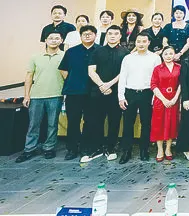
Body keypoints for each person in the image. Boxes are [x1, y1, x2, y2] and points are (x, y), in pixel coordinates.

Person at [15, 32, 65, 163]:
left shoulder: (65, 56)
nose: (54, 40)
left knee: (52, 124)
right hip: (36, 96)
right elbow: (29, 76)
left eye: (57, 38)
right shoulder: (35, 57)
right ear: (46, 40)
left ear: (61, 41)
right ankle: (29, 149)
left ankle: (49, 148)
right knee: (33, 124)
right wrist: (27, 95)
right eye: (51, 38)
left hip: (56, 95)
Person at [84, 25, 128, 163]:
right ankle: (96, 148)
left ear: (120, 36)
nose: (113, 36)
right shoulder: (97, 51)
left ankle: (111, 148)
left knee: (114, 122)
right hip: (97, 92)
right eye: (110, 33)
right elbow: (91, 71)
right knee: (96, 121)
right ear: (106, 35)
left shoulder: (125, 53)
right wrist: (101, 85)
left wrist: (109, 84)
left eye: (116, 33)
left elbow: (124, 73)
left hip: (116, 93)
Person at [118, 31, 161, 163]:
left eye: (144, 41)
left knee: (146, 123)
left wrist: (155, 97)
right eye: (138, 41)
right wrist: (121, 97)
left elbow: (157, 79)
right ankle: (126, 151)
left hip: (147, 93)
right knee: (128, 123)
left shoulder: (155, 58)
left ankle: (144, 150)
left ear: (149, 42)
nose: (141, 44)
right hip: (130, 93)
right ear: (135, 43)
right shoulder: (128, 58)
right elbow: (122, 77)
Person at [58, 25, 98, 160]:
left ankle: (86, 147)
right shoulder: (71, 51)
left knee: (90, 121)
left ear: (95, 35)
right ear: (80, 36)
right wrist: (72, 80)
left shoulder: (100, 51)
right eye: (84, 33)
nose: (87, 35)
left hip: (93, 93)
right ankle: (72, 148)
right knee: (73, 121)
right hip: (73, 92)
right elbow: (63, 70)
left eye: (90, 33)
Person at [150, 46, 181, 162]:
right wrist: (164, 100)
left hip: (174, 98)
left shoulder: (179, 67)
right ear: (162, 55)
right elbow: (153, 85)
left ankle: (168, 148)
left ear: (174, 55)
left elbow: (181, 84)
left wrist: (175, 98)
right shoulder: (157, 68)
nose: (168, 56)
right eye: (166, 54)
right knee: (159, 124)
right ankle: (160, 149)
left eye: (171, 53)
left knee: (171, 123)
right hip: (160, 98)